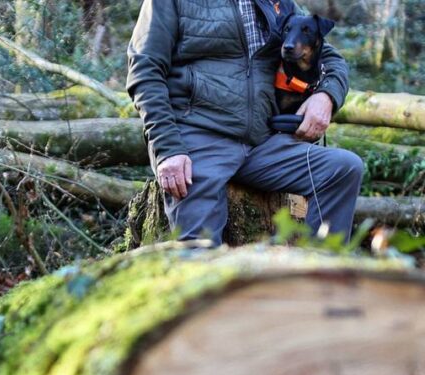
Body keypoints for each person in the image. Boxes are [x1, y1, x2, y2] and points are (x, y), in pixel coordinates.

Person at [126, 0, 363, 245]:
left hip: (264, 143)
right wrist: (168, 149)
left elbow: (331, 59)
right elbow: (144, 71)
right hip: (199, 140)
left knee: (343, 168)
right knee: (198, 252)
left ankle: (320, 275)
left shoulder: (277, 4)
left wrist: (326, 96)